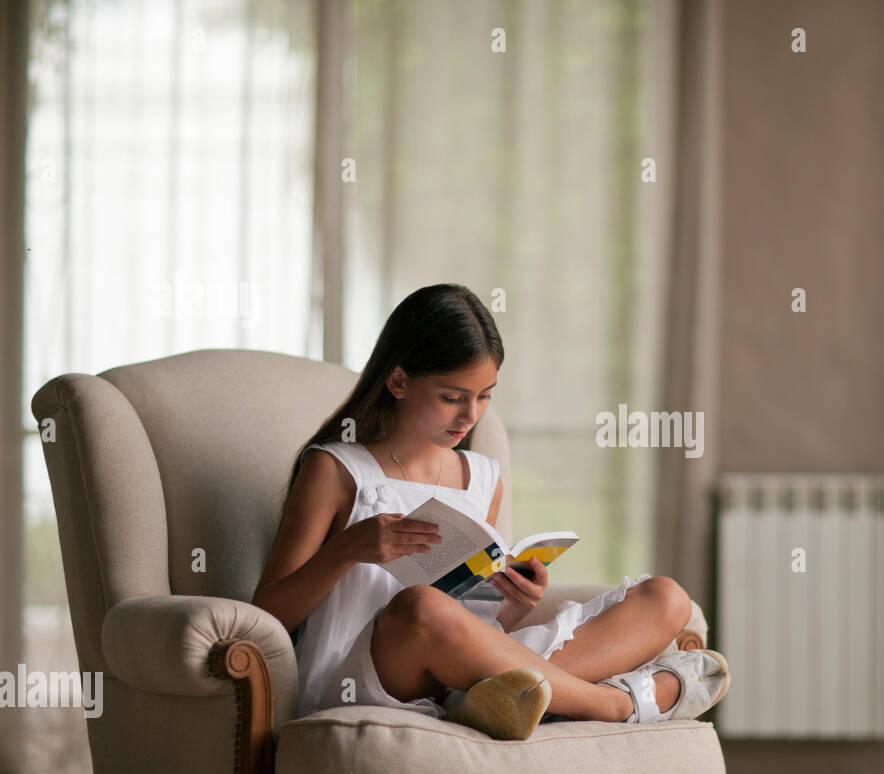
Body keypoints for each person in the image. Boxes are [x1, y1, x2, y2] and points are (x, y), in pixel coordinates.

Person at [251, 283, 729, 740]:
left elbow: (480, 625)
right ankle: (613, 704)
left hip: (467, 676)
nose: (470, 416)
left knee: (667, 599)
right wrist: (346, 551)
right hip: (369, 677)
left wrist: (515, 602)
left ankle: (494, 703)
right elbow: (266, 614)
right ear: (398, 380)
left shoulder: (483, 476)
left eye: (484, 396)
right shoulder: (336, 469)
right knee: (421, 606)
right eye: (452, 397)